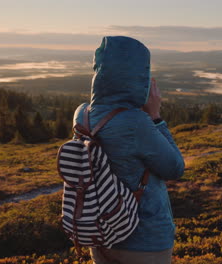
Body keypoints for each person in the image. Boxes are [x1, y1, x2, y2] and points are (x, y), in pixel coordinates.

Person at [73, 36, 185, 264]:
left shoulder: (82, 114)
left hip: (101, 232)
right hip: (144, 240)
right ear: (140, 78)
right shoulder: (135, 122)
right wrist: (155, 117)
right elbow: (174, 168)